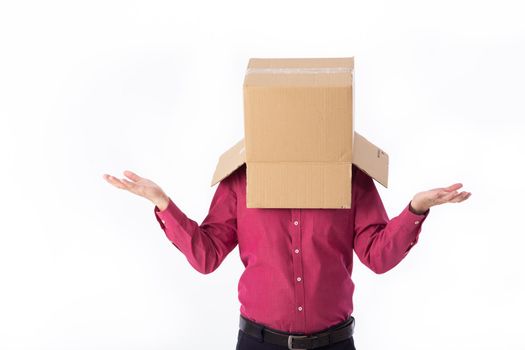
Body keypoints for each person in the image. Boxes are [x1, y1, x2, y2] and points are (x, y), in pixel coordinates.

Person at [103, 163, 471, 349]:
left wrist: (416, 209)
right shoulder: (240, 181)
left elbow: (377, 256)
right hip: (259, 345)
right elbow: (207, 256)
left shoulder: (351, 178)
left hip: (334, 344)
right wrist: (162, 203)